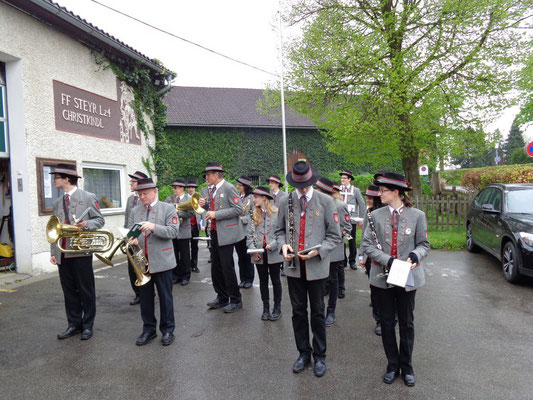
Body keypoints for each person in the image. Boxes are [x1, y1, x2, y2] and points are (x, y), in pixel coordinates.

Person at [361, 172, 430, 387]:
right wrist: (388, 261)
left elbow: (424, 245)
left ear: (397, 192)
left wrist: (414, 256)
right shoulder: (374, 216)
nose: (378, 193)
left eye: (383, 190)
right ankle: (392, 365)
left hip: (408, 277)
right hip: (382, 278)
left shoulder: (417, 215)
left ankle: (407, 367)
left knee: (407, 324)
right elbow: (367, 246)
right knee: (388, 323)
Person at [275, 160, 341, 378]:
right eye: (298, 185)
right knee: (298, 312)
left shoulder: (325, 201)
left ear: (311, 181)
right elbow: (279, 230)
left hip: (316, 266)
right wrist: (283, 244)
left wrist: (319, 251)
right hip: (293, 267)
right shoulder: (286, 201)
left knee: (318, 312)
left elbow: (335, 235)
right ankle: (303, 353)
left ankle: (320, 356)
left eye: (305, 185)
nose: (302, 189)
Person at [49, 163, 105, 341]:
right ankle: (74, 324)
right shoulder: (57, 202)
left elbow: (99, 220)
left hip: (81, 252)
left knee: (85, 290)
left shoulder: (88, 197)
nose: (54, 180)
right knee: (69, 291)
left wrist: (87, 224)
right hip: (62, 252)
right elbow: (53, 229)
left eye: (56, 177)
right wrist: (53, 251)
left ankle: (87, 325)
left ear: (66, 179)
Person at [129, 178, 179, 346]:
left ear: (155, 191)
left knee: (165, 297)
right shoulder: (136, 210)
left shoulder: (168, 208)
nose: (141, 197)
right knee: (145, 298)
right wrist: (131, 239)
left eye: (145, 193)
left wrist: (153, 227)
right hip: (142, 261)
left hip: (163, 260)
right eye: (139, 194)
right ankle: (148, 329)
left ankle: (167, 330)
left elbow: (173, 231)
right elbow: (131, 232)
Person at [198, 162, 244, 313]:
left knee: (227, 266)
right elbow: (212, 209)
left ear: (217, 174)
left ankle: (236, 299)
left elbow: (238, 209)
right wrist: (205, 206)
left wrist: (216, 214)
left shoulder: (229, 187)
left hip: (227, 234)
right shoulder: (211, 190)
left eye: (209, 174)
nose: (206, 177)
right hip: (214, 232)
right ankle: (222, 297)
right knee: (216, 267)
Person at [315, 177, 351, 327]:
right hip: (318, 248)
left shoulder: (340, 205)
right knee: (320, 280)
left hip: (334, 249)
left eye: (318, 190)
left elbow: (347, 227)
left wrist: (335, 235)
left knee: (332, 280)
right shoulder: (316, 204)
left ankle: (331, 311)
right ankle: (320, 310)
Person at [246, 186, 283, 321]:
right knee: (263, 281)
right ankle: (265, 308)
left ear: (264, 198)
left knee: (276, 280)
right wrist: (253, 252)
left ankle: (277, 307)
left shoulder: (277, 214)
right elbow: (249, 236)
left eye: (256, 197)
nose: (253, 199)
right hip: (258, 254)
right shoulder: (253, 215)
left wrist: (272, 245)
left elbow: (281, 234)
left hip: (273, 252)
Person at [359, 184, 386, 335]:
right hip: (371, 256)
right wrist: (362, 255)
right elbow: (364, 234)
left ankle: (392, 317)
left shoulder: (385, 212)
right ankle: (379, 320)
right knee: (375, 288)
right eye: (367, 197)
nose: (367, 200)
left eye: (370, 198)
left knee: (392, 288)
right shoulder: (368, 212)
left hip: (387, 256)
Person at [124, 170, 148, 305]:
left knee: (142, 266)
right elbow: (127, 219)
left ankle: (146, 292)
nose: (130, 184)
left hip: (142, 239)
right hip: (130, 239)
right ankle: (137, 293)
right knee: (132, 268)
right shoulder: (129, 199)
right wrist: (126, 236)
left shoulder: (146, 199)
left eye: (133, 182)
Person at [165, 179, 194, 286]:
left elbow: (191, 214)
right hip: (172, 231)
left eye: (175, 188)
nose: (174, 190)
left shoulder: (188, 198)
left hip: (184, 230)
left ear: (182, 188)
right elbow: (165, 211)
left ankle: (186, 276)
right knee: (174, 255)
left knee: (185, 255)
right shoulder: (169, 198)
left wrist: (179, 212)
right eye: (173, 188)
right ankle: (176, 275)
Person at [339, 170, 365, 269]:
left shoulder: (355, 190)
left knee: (351, 240)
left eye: (344, 178)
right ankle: (343, 260)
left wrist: (361, 219)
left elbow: (362, 204)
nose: (342, 180)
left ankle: (352, 261)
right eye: (341, 178)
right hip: (341, 220)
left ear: (349, 179)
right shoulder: (339, 189)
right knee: (341, 241)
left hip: (352, 220)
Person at [235, 176, 255, 288]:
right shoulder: (237, 197)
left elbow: (254, 215)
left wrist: (243, 219)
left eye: (240, 185)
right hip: (237, 231)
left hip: (247, 230)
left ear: (245, 187)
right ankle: (242, 279)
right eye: (238, 185)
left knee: (248, 257)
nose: (238, 187)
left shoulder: (252, 198)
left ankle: (249, 279)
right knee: (240, 257)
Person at [186, 179, 201, 273]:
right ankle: (186, 265)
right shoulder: (184, 198)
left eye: (193, 187)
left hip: (195, 225)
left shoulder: (199, 198)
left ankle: (194, 265)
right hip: (186, 225)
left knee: (195, 246)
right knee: (185, 247)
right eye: (189, 187)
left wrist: (202, 223)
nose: (191, 189)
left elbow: (202, 211)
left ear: (195, 189)